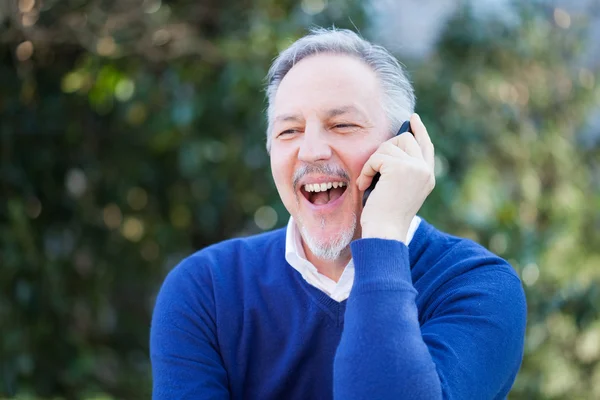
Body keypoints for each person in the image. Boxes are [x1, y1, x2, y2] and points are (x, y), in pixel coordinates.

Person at [150, 27, 527, 399]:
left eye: (342, 125)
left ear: (404, 145)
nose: (311, 150)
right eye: (289, 131)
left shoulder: (476, 287)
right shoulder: (207, 291)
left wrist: (381, 235)